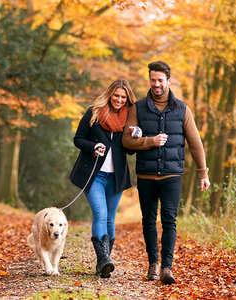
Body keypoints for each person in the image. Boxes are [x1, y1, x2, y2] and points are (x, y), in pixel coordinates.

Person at [122, 61, 210, 285]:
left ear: (168, 81)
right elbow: (126, 140)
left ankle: (167, 268)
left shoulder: (182, 109)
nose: (157, 84)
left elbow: (195, 143)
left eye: (161, 80)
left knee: (169, 221)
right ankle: (153, 263)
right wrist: (150, 141)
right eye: (153, 80)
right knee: (148, 221)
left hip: (172, 176)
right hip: (146, 176)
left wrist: (203, 173)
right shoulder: (138, 108)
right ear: (149, 80)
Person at [70, 78, 137, 278]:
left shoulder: (130, 119)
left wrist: (135, 135)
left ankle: (104, 262)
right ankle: (103, 260)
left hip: (115, 177)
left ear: (127, 99)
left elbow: (131, 151)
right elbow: (78, 139)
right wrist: (93, 147)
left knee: (110, 217)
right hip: (94, 175)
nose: (119, 100)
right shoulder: (94, 113)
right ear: (109, 94)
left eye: (123, 97)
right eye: (116, 95)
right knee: (100, 214)